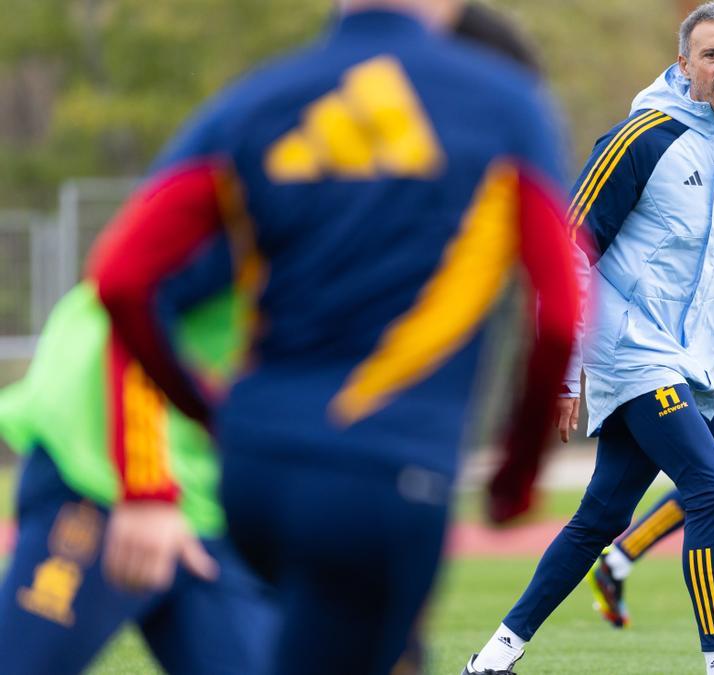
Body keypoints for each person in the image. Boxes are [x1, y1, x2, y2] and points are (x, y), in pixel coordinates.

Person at [86, 0, 581, 672]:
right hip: (382, 478)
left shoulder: (252, 100)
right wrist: (516, 475)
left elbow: (120, 277)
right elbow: (558, 317)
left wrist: (210, 412)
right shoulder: (506, 104)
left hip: (255, 474)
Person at [465, 3, 714, 674]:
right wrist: (567, 365)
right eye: (712, 54)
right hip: (624, 346)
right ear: (685, 63)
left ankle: (493, 657)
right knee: (711, 484)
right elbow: (568, 250)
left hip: (687, 358)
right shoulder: (643, 138)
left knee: (599, 518)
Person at [0, 272, 279, 674]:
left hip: (208, 494)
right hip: (102, 470)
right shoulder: (245, 211)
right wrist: (146, 487)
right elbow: (133, 287)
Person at [587, 252, 714, 631]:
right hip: (674, 347)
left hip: (710, 343)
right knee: (712, 479)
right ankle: (625, 561)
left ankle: (620, 561)